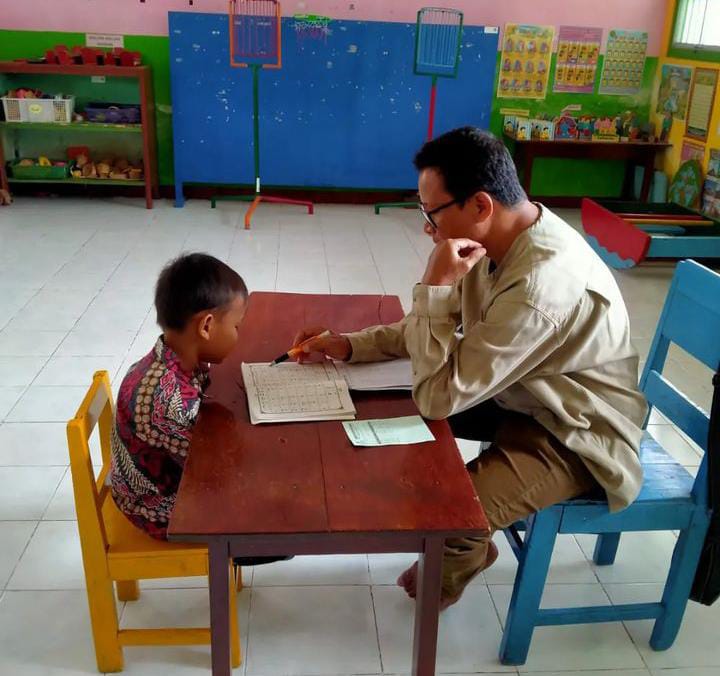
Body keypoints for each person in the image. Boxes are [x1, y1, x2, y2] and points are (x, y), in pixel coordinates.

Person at [292, 127, 647, 608]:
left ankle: (454, 563)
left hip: (574, 430)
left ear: (481, 205)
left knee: (449, 511)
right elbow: (427, 331)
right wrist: (349, 345)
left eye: (431, 213)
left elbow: (437, 396)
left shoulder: (540, 286)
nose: (426, 228)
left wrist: (433, 285)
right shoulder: (499, 239)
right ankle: (451, 530)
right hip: (523, 395)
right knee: (384, 408)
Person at [110, 252, 289, 566]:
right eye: (236, 326)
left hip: (160, 480)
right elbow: (217, 474)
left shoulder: (173, 360)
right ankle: (233, 555)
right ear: (206, 326)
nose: (239, 336)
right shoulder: (168, 402)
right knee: (283, 526)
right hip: (159, 509)